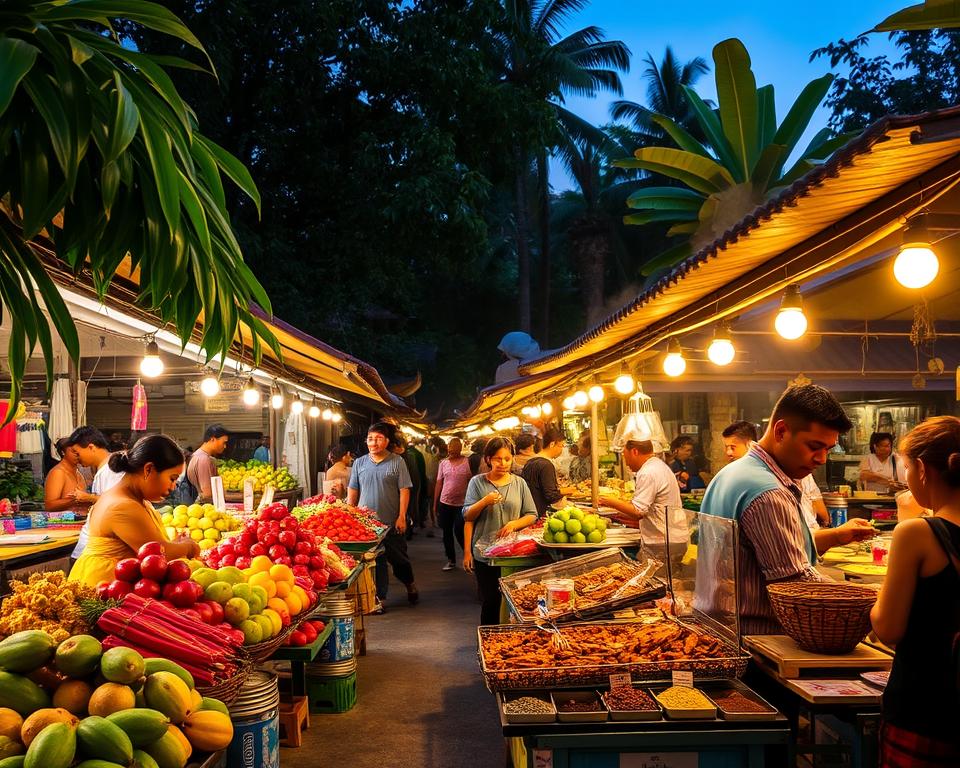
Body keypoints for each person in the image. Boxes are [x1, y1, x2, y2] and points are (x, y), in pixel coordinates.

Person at [696, 385, 874, 634]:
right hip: (760, 642)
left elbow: (760, 549)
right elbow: (797, 586)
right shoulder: (769, 492)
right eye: (814, 446)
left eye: (828, 449)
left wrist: (833, 536)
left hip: (723, 629)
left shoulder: (731, 473)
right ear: (781, 431)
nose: (822, 458)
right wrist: (872, 599)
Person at [870, 417, 960, 765]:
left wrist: (872, 604)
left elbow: (888, 629)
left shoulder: (918, 533)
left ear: (922, 469)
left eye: (907, 468)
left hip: (926, 711)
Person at [69, 435, 200, 587]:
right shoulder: (123, 506)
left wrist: (176, 544)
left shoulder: (135, 501)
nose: (172, 487)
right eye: (172, 478)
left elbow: (153, 544)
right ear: (148, 469)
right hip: (102, 587)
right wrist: (189, 546)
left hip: (114, 585)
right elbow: (159, 554)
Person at [462, 437, 538, 624]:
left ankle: (509, 639)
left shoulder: (519, 483)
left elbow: (531, 514)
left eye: (507, 458)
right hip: (484, 555)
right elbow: (468, 517)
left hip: (514, 554)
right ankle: (489, 639)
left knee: (515, 601)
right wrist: (484, 502)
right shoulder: (477, 483)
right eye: (497, 459)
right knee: (490, 601)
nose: (503, 463)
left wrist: (514, 524)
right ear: (488, 459)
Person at [348, 423, 419, 610]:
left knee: (399, 560)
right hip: (368, 525)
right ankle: (380, 599)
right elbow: (353, 489)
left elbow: (404, 490)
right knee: (377, 561)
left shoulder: (397, 462)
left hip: (391, 522)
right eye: (370, 438)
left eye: (378, 438)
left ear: (387, 441)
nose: (374, 442)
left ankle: (410, 584)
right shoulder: (359, 463)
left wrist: (402, 516)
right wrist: (350, 513)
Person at [598, 432, 688, 552]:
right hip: (670, 537)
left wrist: (608, 500)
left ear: (634, 452)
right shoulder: (657, 465)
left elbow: (638, 511)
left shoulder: (648, 472)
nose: (626, 462)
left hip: (664, 541)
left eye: (625, 456)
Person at [68, 427, 126, 562]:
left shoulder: (111, 470)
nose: (77, 458)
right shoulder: (104, 469)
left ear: (91, 447)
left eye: (77, 453)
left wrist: (88, 497)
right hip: (91, 548)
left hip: (96, 552)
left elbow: (116, 505)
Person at [434, 437, 472, 571]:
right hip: (445, 503)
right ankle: (451, 560)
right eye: (450, 449)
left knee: (459, 530)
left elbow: (472, 482)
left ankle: (469, 557)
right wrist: (435, 503)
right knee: (446, 532)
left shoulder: (467, 462)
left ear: (460, 449)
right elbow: (439, 483)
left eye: (454, 449)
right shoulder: (443, 463)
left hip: (462, 504)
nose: (451, 452)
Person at [521, 427, 566, 517]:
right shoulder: (546, 464)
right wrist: (566, 491)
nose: (562, 450)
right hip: (541, 513)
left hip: (529, 511)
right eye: (561, 446)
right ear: (552, 444)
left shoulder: (531, 461)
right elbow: (550, 495)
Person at [44, 437, 90, 514]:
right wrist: (76, 499)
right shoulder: (58, 472)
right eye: (73, 451)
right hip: (64, 523)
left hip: (81, 521)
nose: (77, 454)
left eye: (79, 451)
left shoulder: (78, 473)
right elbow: (49, 505)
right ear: (63, 452)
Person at [186, 425, 229, 501]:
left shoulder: (197, 455)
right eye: (223, 442)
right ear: (212, 439)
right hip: (205, 508)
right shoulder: (204, 460)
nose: (225, 446)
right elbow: (207, 493)